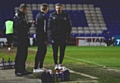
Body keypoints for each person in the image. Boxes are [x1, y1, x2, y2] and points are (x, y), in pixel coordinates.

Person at [48, 3, 72, 70]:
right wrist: (50, 35)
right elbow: (49, 26)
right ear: (55, 8)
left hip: (63, 36)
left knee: (62, 51)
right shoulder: (52, 16)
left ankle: (60, 63)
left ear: (62, 8)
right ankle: (55, 64)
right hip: (55, 36)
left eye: (59, 8)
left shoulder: (65, 15)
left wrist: (68, 34)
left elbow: (69, 26)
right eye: (57, 8)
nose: (58, 9)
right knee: (55, 51)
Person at [13, 4, 34, 76]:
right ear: (22, 9)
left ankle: (22, 69)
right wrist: (29, 25)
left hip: (22, 38)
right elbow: (21, 27)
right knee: (20, 55)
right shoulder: (19, 16)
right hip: (20, 39)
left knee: (24, 54)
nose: (26, 11)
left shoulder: (21, 16)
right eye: (26, 9)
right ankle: (18, 70)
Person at [33, 3, 48, 73]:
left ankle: (39, 66)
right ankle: (37, 66)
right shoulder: (43, 16)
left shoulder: (38, 15)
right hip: (42, 36)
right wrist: (46, 37)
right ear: (46, 9)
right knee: (41, 51)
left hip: (38, 35)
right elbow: (44, 28)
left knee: (41, 51)